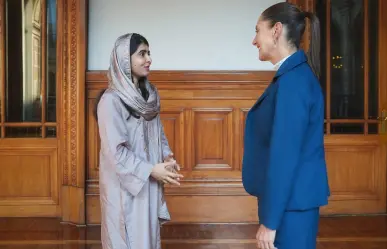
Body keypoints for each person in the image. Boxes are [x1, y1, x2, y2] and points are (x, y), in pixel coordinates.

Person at [242, 2, 330, 249]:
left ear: (276, 30)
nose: (254, 40)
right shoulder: (293, 76)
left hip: (291, 206)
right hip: (290, 203)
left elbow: (285, 156)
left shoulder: (293, 82)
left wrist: (270, 222)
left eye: (258, 30)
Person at [94, 33, 183, 249]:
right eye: (142, 53)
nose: (148, 59)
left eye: (149, 53)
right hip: (125, 188)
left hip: (149, 181)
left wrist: (166, 157)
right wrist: (151, 170)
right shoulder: (111, 101)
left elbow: (157, 132)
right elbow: (116, 153)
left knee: (148, 239)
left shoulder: (150, 95)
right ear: (125, 59)